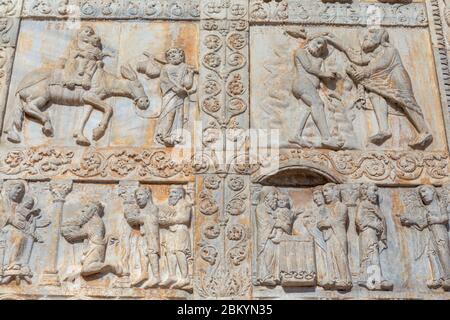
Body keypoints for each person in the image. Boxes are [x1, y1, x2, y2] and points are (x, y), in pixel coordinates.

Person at [327, 28, 433, 149]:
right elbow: (355, 57)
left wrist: (364, 72)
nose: (365, 38)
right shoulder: (372, 54)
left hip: (396, 78)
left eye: (370, 36)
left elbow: (382, 63)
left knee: (406, 102)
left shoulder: (390, 50)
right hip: (380, 79)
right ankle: (384, 130)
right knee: (374, 94)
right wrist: (335, 40)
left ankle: (424, 132)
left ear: (379, 39)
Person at [289, 33, 342, 150]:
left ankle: (296, 135)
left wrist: (331, 76)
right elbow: (308, 67)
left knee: (308, 108)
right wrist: (323, 73)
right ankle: (326, 138)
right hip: (302, 83)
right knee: (317, 104)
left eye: (322, 47)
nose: (319, 47)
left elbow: (321, 74)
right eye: (318, 43)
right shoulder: (301, 52)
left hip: (310, 87)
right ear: (310, 40)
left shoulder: (318, 59)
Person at [400, 185, 450, 290]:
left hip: (440, 231)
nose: (423, 195)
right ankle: (438, 278)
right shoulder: (426, 209)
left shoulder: (440, 204)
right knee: (431, 253)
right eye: (421, 194)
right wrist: (410, 220)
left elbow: (446, 217)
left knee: (443, 251)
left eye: (424, 191)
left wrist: (436, 219)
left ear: (432, 191)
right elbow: (422, 224)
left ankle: (448, 277)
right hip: (431, 233)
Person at [155, 47, 196, 147]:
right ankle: (164, 135)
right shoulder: (166, 68)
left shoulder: (185, 67)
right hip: (170, 94)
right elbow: (164, 80)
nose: (172, 56)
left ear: (181, 56)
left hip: (180, 95)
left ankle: (176, 136)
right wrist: (174, 88)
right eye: (169, 55)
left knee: (180, 114)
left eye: (175, 53)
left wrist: (190, 74)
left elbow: (187, 85)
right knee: (169, 113)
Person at [356, 183, 393, 290]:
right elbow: (359, 220)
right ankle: (376, 278)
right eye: (373, 191)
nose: (376, 194)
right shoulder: (363, 204)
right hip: (368, 232)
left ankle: (372, 278)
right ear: (366, 192)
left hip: (374, 233)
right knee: (371, 253)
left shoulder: (375, 206)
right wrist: (373, 224)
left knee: (373, 253)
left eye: (376, 191)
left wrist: (379, 226)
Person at [318, 183, 352, 290]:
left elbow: (339, 220)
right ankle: (332, 277)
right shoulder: (327, 207)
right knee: (330, 255)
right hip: (330, 235)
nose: (325, 195)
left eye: (327, 191)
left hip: (338, 235)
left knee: (340, 255)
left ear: (335, 191)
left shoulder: (341, 206)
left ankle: (345, 279)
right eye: (324, 193)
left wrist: (325, 222)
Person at [159, 186, 192, 289]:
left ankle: (185, 277)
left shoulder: (185, 204)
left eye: (173, 192)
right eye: (170, 192)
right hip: (171, 230)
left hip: (181, 230)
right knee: (169, 252)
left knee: (179, 251)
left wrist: (170, 220)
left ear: (180, 194)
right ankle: (172, 276)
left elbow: (185, 218)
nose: (170, 194)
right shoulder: (173, 206)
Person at [64, 26, 104, 90]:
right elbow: (67, 55)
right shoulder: (74, 43)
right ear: (79, 33)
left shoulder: (94, 46)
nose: (88, 34)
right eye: (86, 31)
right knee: (72, 62)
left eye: (91, 33)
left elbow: (98, 56)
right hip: (77, 61)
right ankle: (69, 80)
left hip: (90, 62)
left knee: (93, 63)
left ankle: (86, 79)